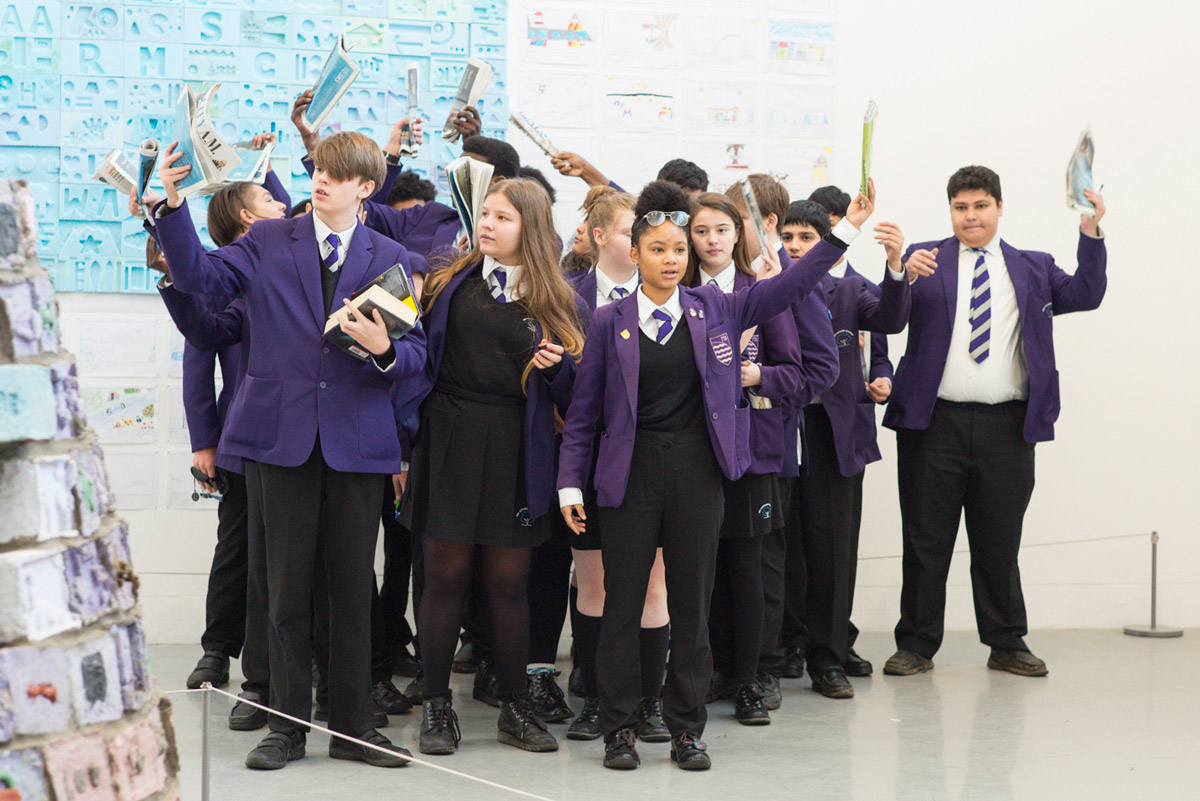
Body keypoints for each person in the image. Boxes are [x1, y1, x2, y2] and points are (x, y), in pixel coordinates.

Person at [559, 179, 875, 771]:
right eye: (658, 249)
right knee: (623, 606)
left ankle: (686, 729)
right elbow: (583, 414)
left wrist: (846, 230)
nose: (671, 259)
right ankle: (621, 727)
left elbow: (793, 283)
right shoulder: (609, 320)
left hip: (698, 473)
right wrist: (570, 486)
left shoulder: (719, 308)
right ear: (636, 254)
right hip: (627, 476)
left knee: (693, 605)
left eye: (678, 250)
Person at [154, 130, 426, 770]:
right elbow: (199, 275)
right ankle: (286, 725)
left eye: (337, 174)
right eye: (319, 170)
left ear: (365, 188)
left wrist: (385, 348)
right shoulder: (270, 239)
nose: (321, 180)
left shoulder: (389, 254)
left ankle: (355, 727)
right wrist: (171, 208)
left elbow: (415, 355)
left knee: (355, 590)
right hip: (279, 439)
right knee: (283, 592)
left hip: (357, 444)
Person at [882, 166, 1107, 678]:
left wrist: (1091, 232)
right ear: (951, 212)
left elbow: (1087, 294)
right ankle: (915, 644)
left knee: (999, 538)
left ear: (999, 207)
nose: (971, 216)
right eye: (960, 207)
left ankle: (1006, 641)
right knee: (924, 538)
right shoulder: (925, 258)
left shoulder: (1032, 266)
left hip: (1008, 426)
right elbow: (890, 318)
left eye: (980, 205)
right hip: (933, 423)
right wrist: (899, 272)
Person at [396, 178, 586, 756]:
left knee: (509, 584)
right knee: (443, 578)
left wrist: (556, 371)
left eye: (502, 217)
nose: (487, 224)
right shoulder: (450, 281)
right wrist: (403, 448)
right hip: (449, 440)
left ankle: (517, 708)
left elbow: (578, 398)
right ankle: (436, 706)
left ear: (529, 226)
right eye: (484, 214)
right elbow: (417, 364)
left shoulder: (558, 298)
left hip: (517, 447)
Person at [777, 199, 911, 699]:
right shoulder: (771, 287)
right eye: (788, 238)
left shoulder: (854, 288)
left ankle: (828, 658)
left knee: (833, 551)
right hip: (780, 432)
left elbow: (893, 320)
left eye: (806, 238)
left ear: (830, 240)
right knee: (780, 547)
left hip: (837, 435)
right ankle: (783, 646)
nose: (795, 248)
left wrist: (896, 266)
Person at [557, 186, 672, 743]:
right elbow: (563, 396)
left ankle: (650, 701)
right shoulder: (568, 295)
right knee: (594, 583)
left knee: (652, 584)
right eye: (633, 232)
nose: (646, 245)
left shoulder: (673, 298)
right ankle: (599, 698)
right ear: (601, 237)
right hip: (588, 457)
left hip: (649, 463)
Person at [721, 174, 839, 711]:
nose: (714, 236)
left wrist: (764, 390)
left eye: (731, 223)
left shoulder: (787, 282)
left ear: (763, 224)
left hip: (766, 444)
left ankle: (761, 667)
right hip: (708, 449)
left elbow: (820, 367)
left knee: (763, 561)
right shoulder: (711, 280)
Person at [686, 191, 803, 726]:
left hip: (754, 451)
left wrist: (759, 376)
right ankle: (704, 672)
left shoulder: (763, 294)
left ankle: (751, 679)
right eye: (702, 230)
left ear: (739, 236)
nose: (711, 240)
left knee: (748, 568)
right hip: (694, 453)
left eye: (722, 231)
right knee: (699, 569)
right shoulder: (677, 293)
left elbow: (796, 373)